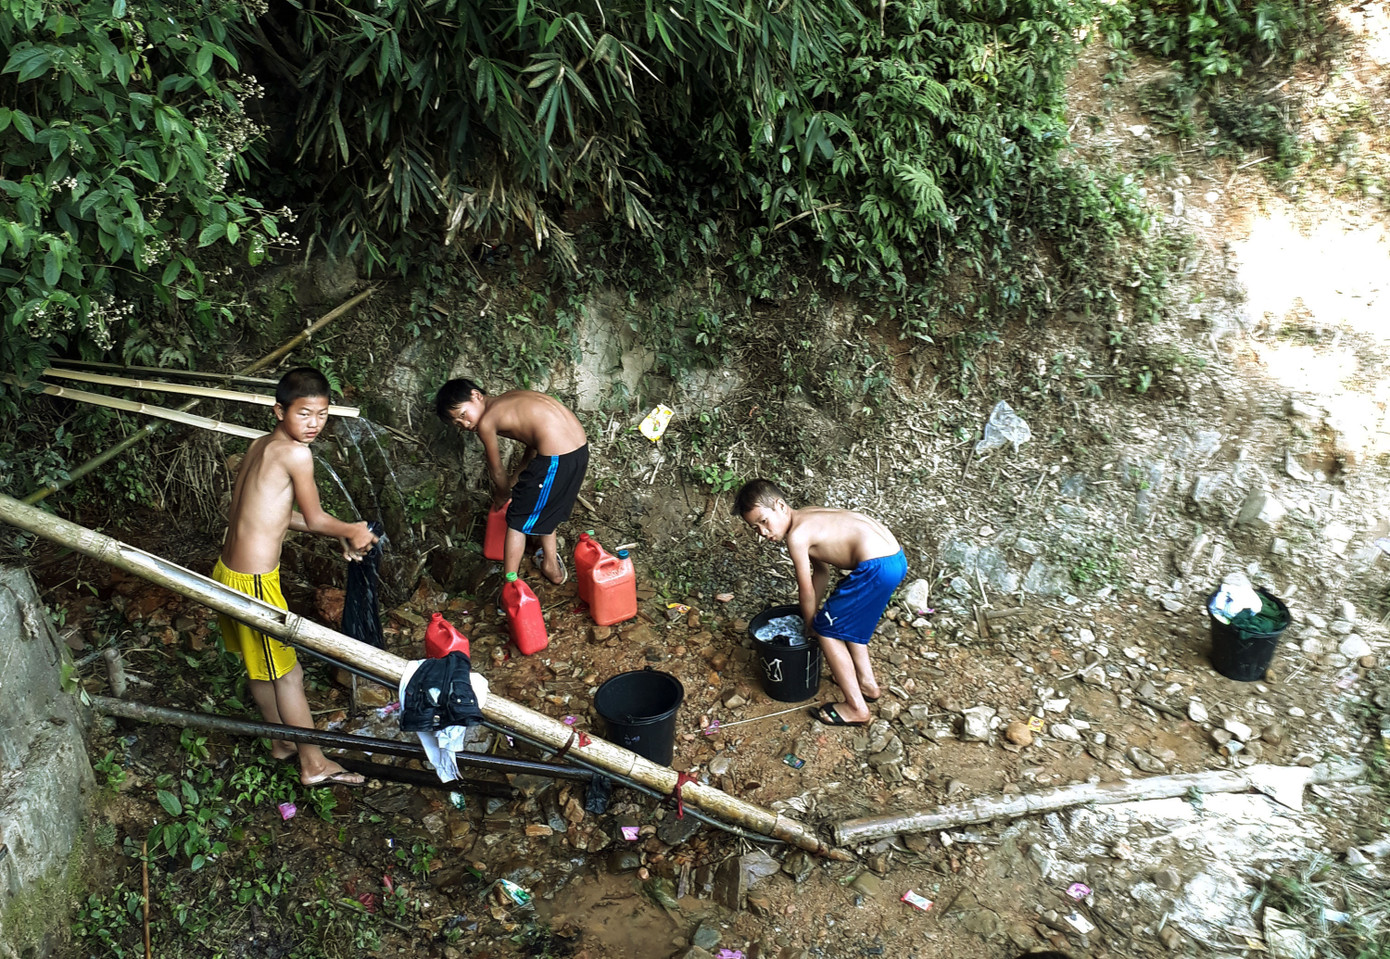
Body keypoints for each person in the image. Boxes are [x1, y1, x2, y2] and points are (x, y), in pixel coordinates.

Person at [213, 367, 378, 787]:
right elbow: (318, 516)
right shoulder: (296, 454)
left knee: (262, 667)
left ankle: (282, 742)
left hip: (228, 573)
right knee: (289, 675)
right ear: (279, 410)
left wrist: (340, 531)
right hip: (252, 585)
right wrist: (351, 530)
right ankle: (313, 764)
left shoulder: (261, 446)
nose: (314, 424)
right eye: (304, 414)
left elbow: (277, 513)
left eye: (322, 415)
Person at [734, 478, 907, 726]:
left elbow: (805, 590)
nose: (763, 532)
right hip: (894, 559)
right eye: (755, 528)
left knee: (827, 630)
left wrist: (810, 625)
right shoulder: (808, 516)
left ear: (780, 506)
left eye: (764, 521)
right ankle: (868, 685)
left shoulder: (797, 536)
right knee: (842, 624)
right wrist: (818, 615)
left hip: (875, 567)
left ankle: (857, 709)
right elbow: (822, 573)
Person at [435, 378, 588, 586]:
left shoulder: (487, 422)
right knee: (543, 507)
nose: (465, 424)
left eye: (463, 415)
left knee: (516, 520)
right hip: (578, 451)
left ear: (476, 395)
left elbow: (496, 470)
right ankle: (551, 567)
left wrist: (502, 494)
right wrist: (517, 479)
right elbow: (533, 444)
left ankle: (510, 586)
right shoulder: (510, 399)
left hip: (556, 458)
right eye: (458, 424)